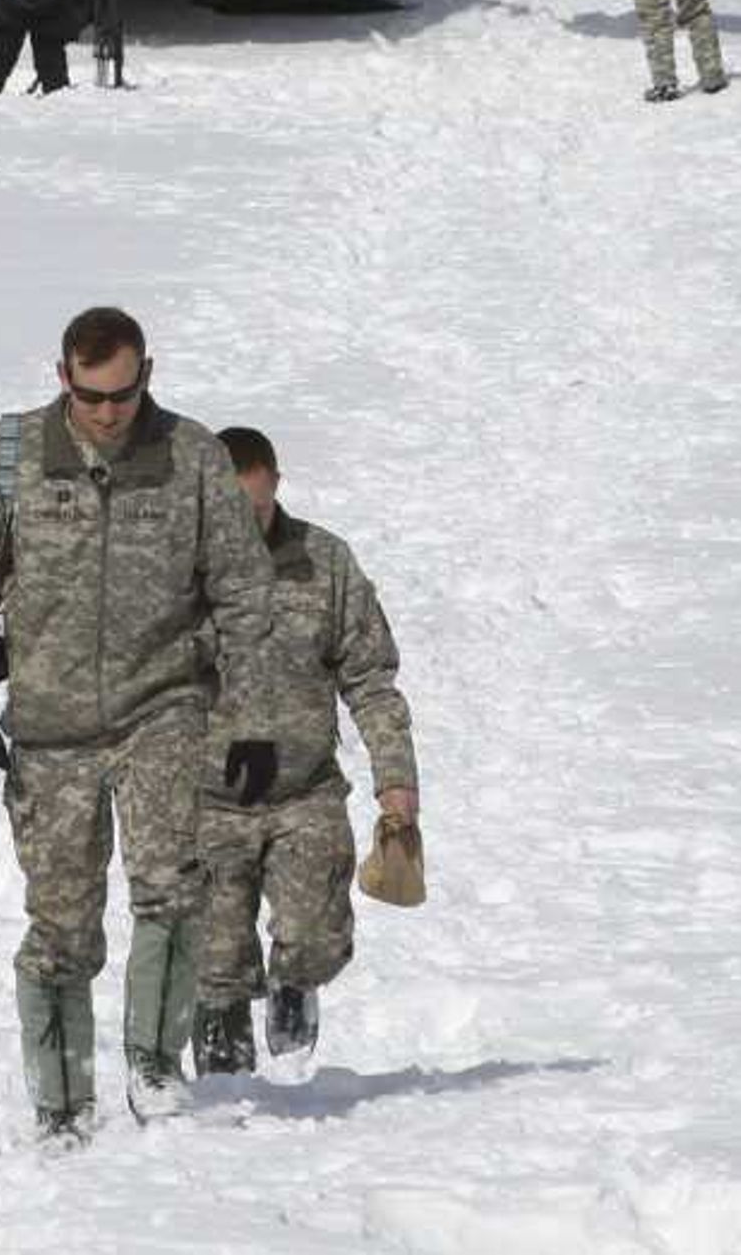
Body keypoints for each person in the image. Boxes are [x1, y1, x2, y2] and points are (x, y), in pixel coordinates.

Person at [0, 306, 283, 1138]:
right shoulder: (11, 456)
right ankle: (61, 1099)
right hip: (50, 730)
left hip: (161, 707)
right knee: (59, 921)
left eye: (122, 394)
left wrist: (252, 719)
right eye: (90, 395)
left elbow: (243, 590)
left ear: (146, 375)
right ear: (62, 378)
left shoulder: (191, 456)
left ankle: (157, 1068)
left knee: (170, 888)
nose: (107, 412)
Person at [190, 426, 417, 1081]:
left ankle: (295, 985)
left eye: (254, 508)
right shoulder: (176, 574)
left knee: (316, 937)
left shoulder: (325, 563)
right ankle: (224, 1084)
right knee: (216, 959)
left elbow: (371, 678)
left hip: (303, 789)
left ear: (275, 488)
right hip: (207, 795)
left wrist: (396, 781)